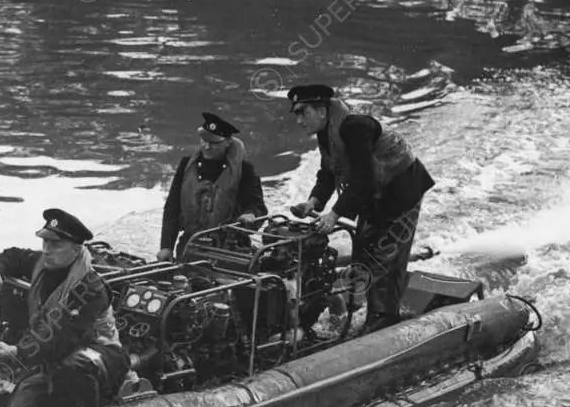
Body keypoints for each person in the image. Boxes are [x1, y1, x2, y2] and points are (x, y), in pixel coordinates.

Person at [288, 84, 435, 333]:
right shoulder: (326, 133)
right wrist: (313, 202)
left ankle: (383, 319)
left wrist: (334, 214)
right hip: (373, 195)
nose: (300, 120)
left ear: (322, 111)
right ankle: (353, 305)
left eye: (304, 112)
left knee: (385, 256)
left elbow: (363, 177)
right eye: (297, 114)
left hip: (401, 190)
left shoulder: (355, 127)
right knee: (364, 248)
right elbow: (328, 172)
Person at [0, 209, 130, 407]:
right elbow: (13, 256)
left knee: (74, 368)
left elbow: (61, 337)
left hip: (98, 354)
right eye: (45, 242)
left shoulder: (88, 288)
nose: (46, 250)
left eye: (56, 244)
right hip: (53, 356)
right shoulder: (43, 264)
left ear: (76, 250)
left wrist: (18, 352)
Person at [158, 112, 268, 261]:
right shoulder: (186, 165)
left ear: (228, 142)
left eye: (214, 143)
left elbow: (258, 206)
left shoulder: (244, 170)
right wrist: (166, 247)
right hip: (190, 244)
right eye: (204, 140)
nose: (207, 146)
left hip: (229, 249)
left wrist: (250, 214)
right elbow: (172, 208)